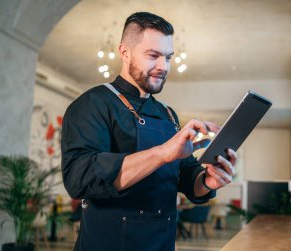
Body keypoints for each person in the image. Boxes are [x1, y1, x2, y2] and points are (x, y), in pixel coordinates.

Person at [61, 12, 237, 251]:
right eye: (153, 56)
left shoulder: (168, 114)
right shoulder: (93, 104)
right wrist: (163, 152)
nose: (163, 67)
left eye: (168, 57)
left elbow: (185, 176)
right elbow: (79, 178)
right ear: (125, 52)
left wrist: (207, 181)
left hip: (161, 243)